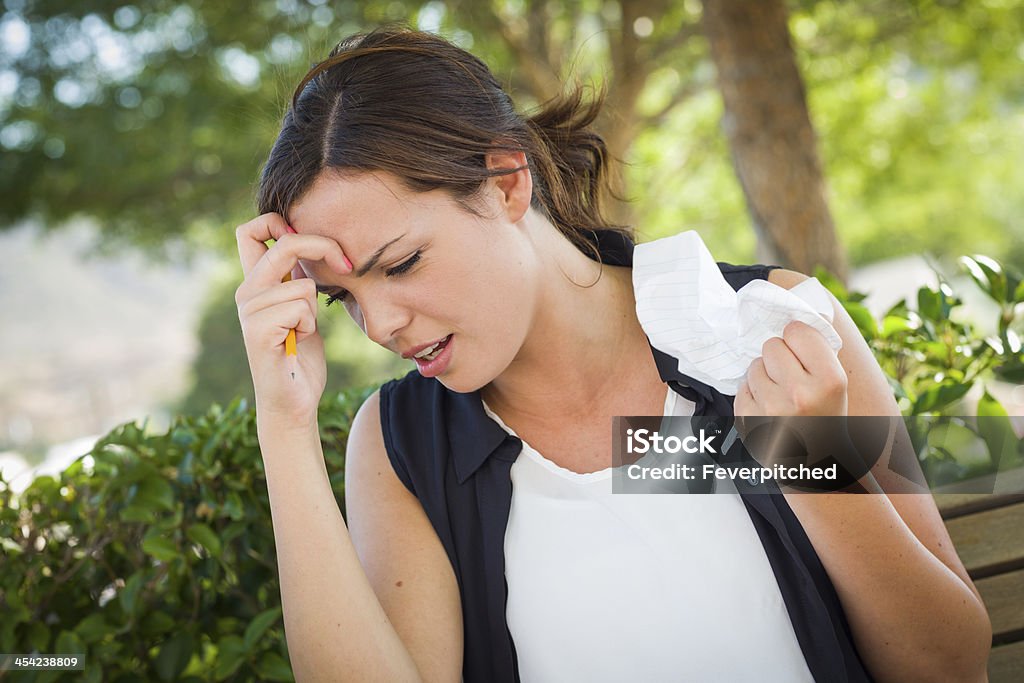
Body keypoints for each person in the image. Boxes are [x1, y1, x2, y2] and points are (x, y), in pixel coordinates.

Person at [234, 26, 991, 682]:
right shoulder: (406, 443)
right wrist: (284, 424)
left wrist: (809, 462)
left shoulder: (764, 326)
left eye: (400, 264)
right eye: (345, 298)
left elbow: (951, 667)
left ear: (505, 183)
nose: (380, 324)